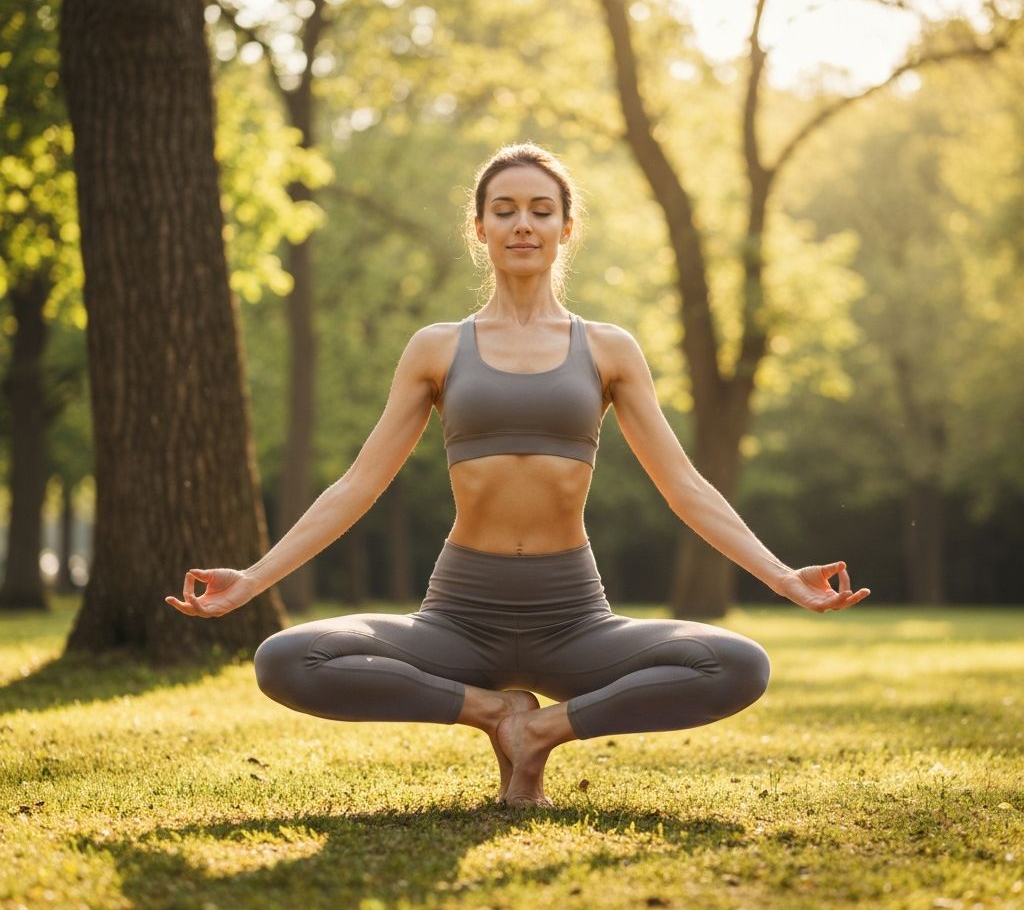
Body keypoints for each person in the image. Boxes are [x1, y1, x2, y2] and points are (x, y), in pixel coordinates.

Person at [166, 142, 870, 807]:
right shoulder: (437, 349)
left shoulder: (609, 350)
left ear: (568, 228)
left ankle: (540, 730)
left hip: (574, 618)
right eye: (504, 210)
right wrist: (254, 579)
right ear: (480, 229)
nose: (523, 224)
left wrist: (781, 577)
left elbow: (683, 485)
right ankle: (493, 712)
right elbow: (358, 485)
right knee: (284, 661)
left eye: (540, 209)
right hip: (458, 616)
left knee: (740, 665)